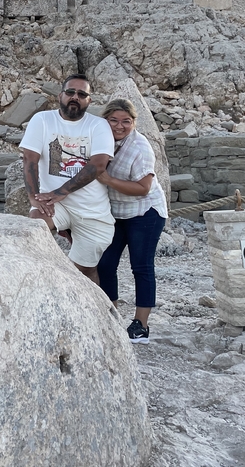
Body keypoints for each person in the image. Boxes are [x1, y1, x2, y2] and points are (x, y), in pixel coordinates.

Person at [20, 74, 115, 284]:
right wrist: (34, 196)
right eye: (70, 92)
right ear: (60, 95)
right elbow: (30, 158)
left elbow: (98, 164)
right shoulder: (42, 120)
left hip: (91, 210)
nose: (75, 97)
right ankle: (40, 280)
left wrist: (61, 191)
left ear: (89, 100)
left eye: (82, 94)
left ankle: (91, 303)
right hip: (55, 205)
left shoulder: (98, 125)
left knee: (85, 271)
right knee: (36, 224)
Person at [95, 98, 169, 344]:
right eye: (113, 120)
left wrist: (108, 180)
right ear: (105, 120)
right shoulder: (101, 140)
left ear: (134, 122)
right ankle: (111, 316)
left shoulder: (140, 146)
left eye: (126, 121)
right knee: (105, 264)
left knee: (141, 266)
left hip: (145, 211)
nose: (119, 126)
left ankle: (141, 325)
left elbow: (143, 187)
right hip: (116, 212)